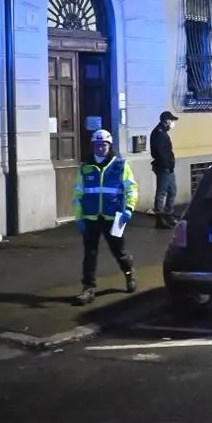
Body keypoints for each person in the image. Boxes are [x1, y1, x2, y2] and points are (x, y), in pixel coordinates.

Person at [73, 128, 138, 305]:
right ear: (93, 146)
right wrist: (79, 218)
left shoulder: (120, 165)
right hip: (91, 218)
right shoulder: (85, 168)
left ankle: (129, 272)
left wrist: (129, 209)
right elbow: (78, 194)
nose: (101, 148)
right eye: (97, 145)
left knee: (119, 252)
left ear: (110, 146)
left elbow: (131, 189)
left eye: (104, 145)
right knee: (90, 254)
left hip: (115, 218)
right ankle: (88, 288)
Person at [149, 110, 179, 228]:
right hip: (163, 168)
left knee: (172, 191)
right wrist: (166, 165)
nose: (172, 122)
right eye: (171, 120)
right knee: (161, 192)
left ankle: (168, 214)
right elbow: (160, 152)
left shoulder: (163, 132)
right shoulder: (159, 133)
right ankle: (160, 219)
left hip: (168, 167)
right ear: (166, 120)